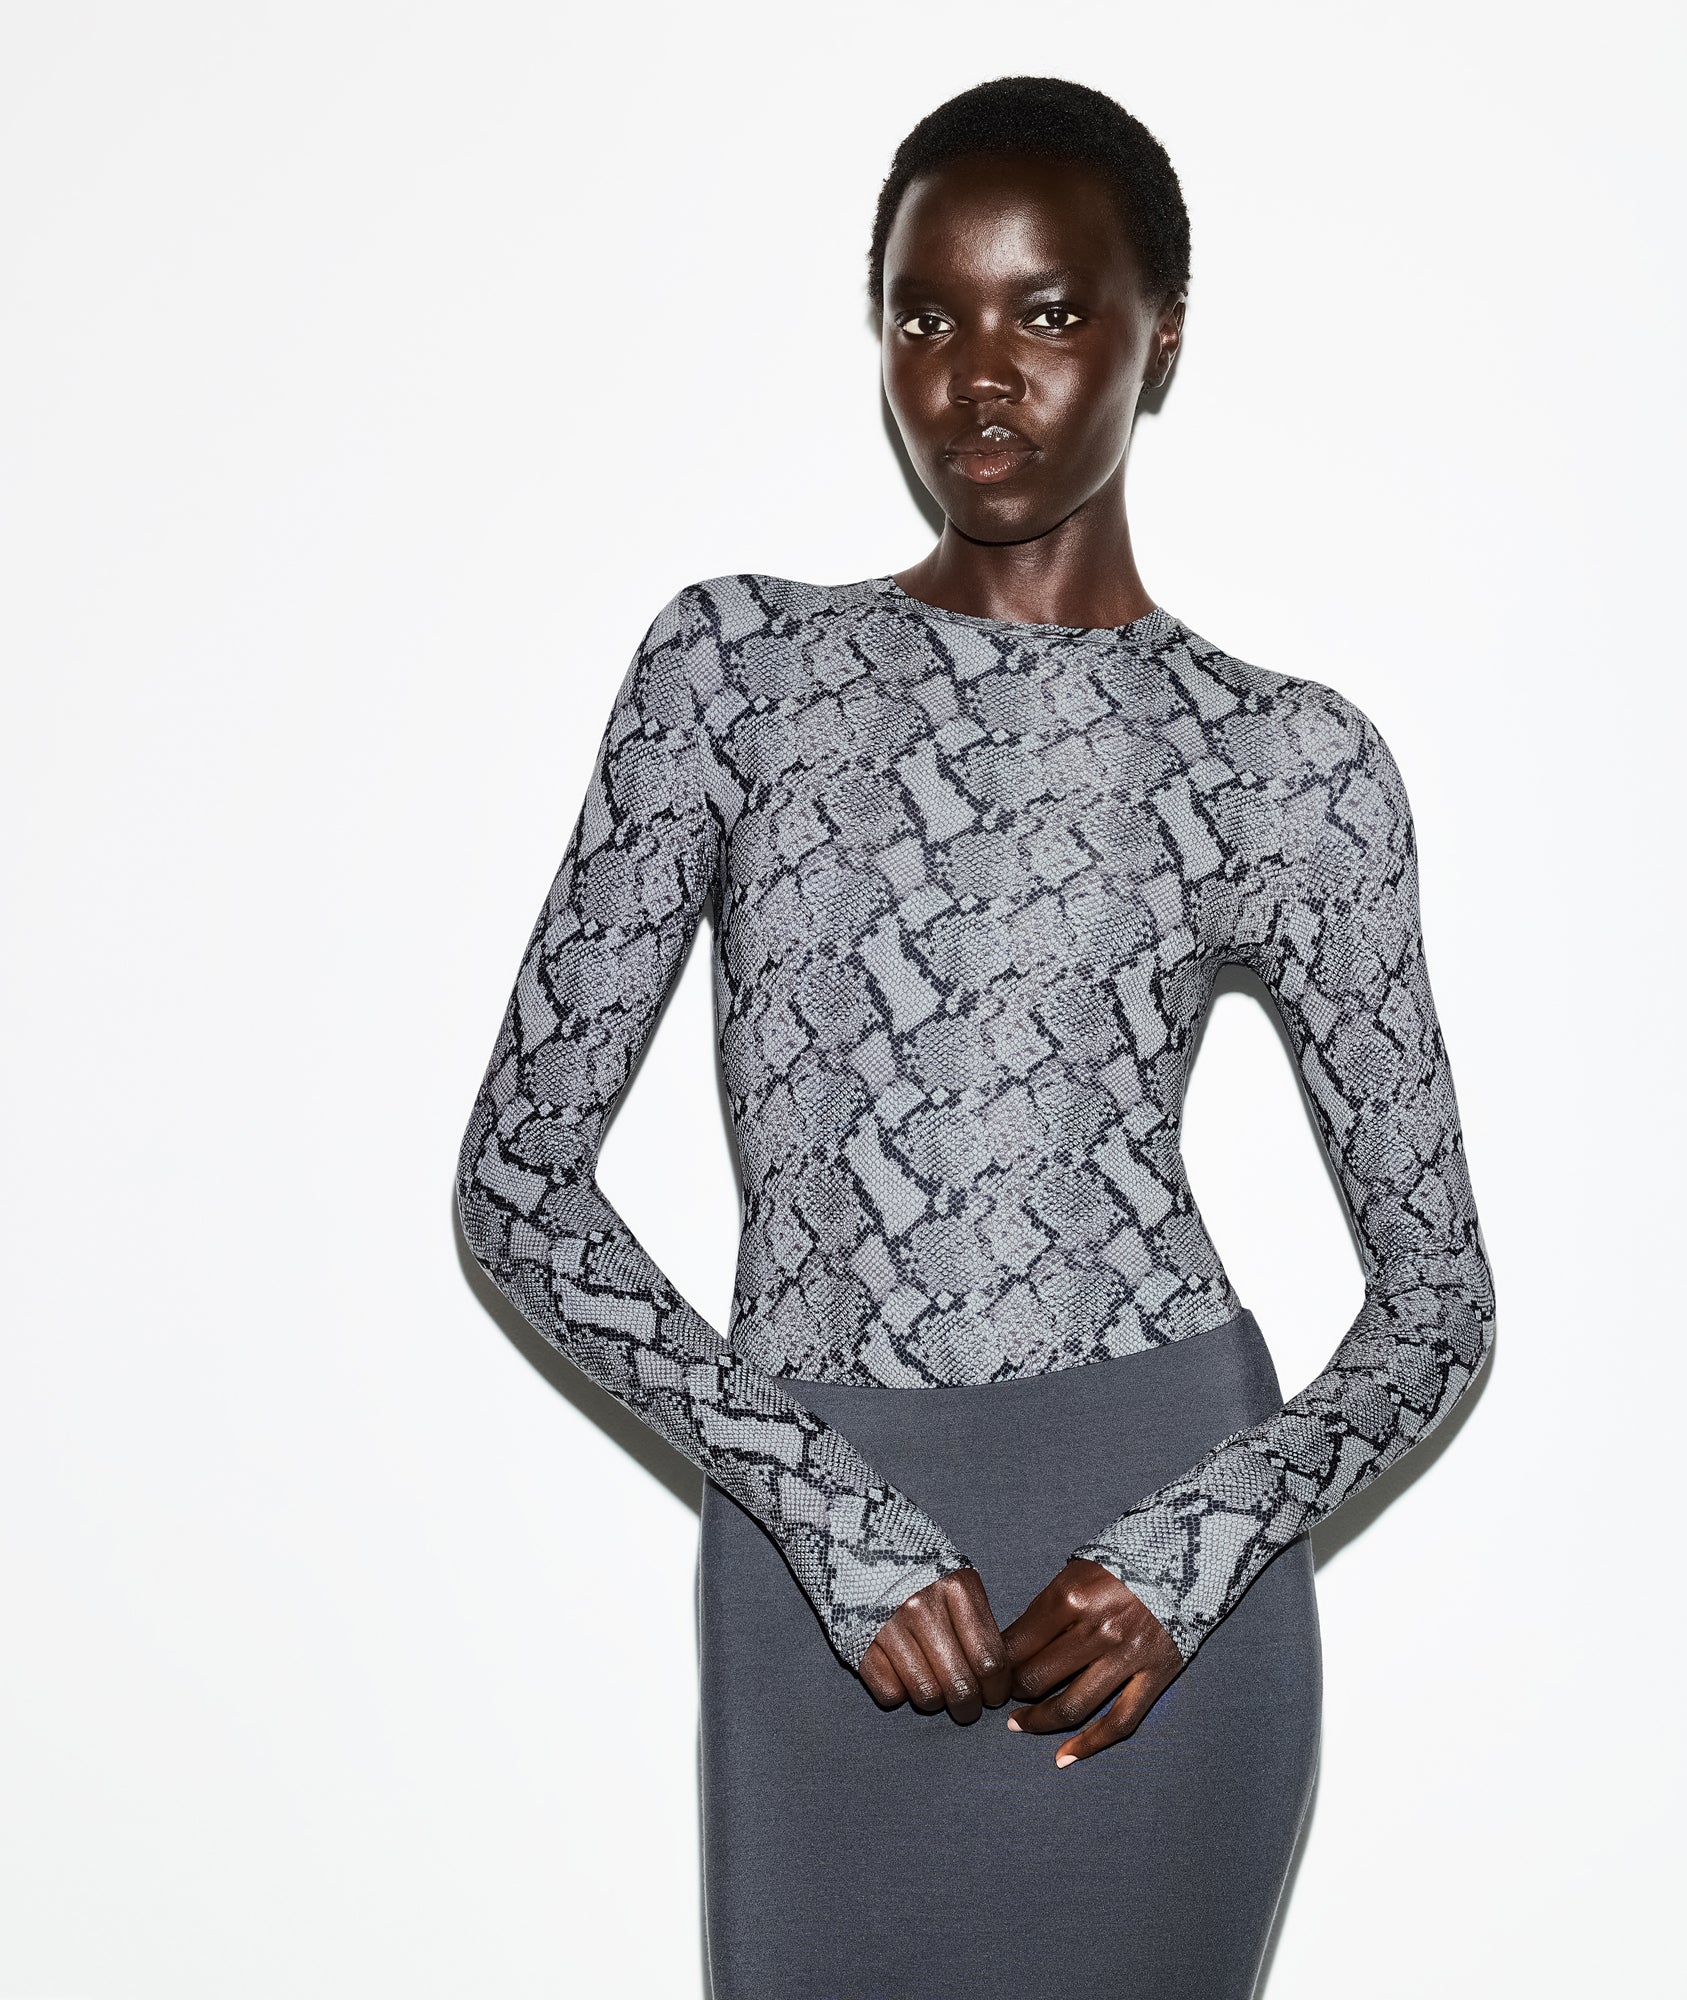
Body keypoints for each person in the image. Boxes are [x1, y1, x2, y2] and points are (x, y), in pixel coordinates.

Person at [454, 73, 1496, 2000]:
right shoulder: (735, 670)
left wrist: (1189, 1555)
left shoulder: (1286, 762)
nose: (976, 371)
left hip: (1148, 1580)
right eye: (924, 315)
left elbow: (1440, 1310)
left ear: (1159, 337)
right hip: (813, 1546)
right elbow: (517, 1186)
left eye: (1047, 311)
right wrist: (824, 1509)